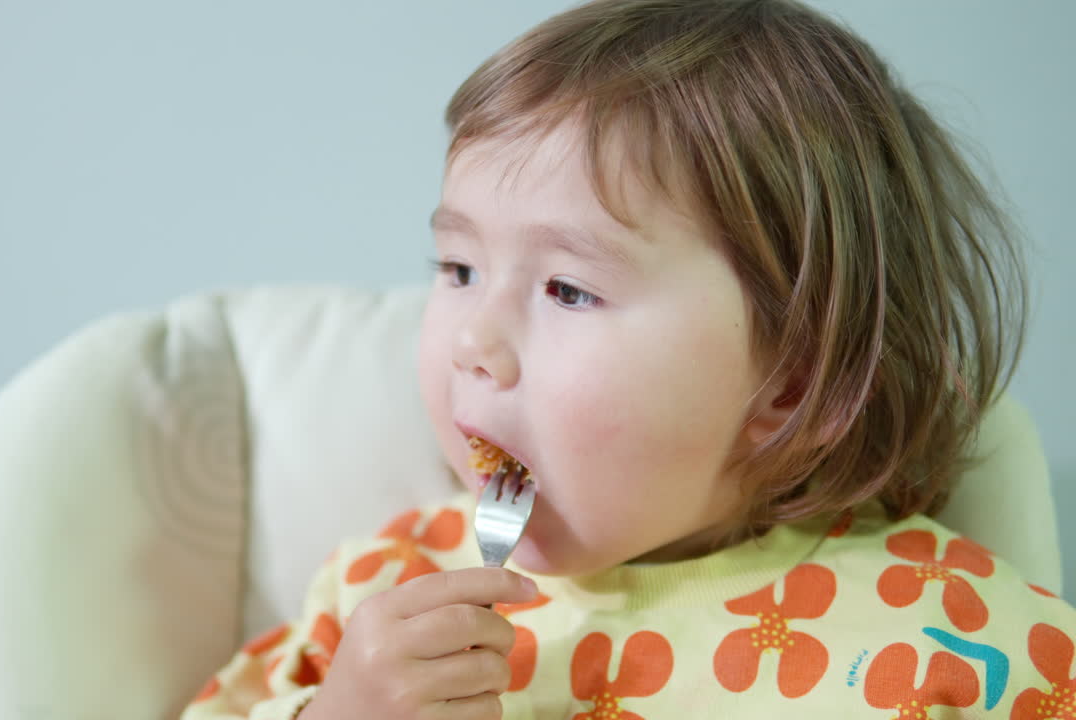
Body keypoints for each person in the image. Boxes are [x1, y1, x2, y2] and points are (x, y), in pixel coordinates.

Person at [183, 1, 1071, 717]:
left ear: (789, 385)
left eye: (568, 290)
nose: (472, 343)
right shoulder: (384, 591)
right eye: (458, 269)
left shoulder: (946, 637)